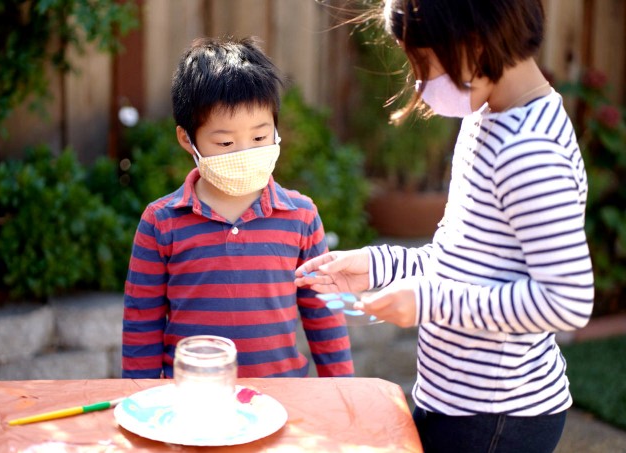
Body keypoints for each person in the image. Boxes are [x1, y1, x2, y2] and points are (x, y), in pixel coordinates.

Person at [296, 1, 594, 452]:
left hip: (497, 419)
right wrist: (378, 265)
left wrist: (428, 301)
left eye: (425, 64)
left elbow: (566, 302)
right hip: (458, 402)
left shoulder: (528, 152)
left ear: (473, 43)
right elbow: (460, 256)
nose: (420, 84)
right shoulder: (487, 119)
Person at [122, 36, 354, 380]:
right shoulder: (161, 222)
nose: (245, 151)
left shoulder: (301, 216)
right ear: (188, 139)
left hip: (283, 397)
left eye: (259, 138)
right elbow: (142, 320)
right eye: (226, 142)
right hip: (194, 398)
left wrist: (343, 390)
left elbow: (323, 314)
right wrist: (138, 397)